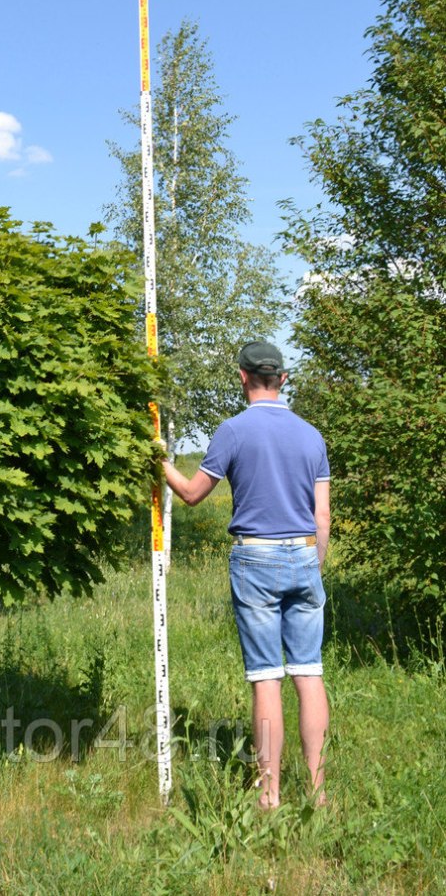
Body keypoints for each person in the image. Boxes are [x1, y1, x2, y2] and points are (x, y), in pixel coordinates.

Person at [161, 340, 330, 809]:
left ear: (242, 377)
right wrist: (310, 567)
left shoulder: (232, 432)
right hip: (302, 556)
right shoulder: (311, 436)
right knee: (309, 673)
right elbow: (323, 518)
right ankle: (317, 793)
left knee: (266, 678)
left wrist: (161, 464)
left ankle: (269, 793)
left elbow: (193, 494)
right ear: (283, 379)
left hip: (255, 560)